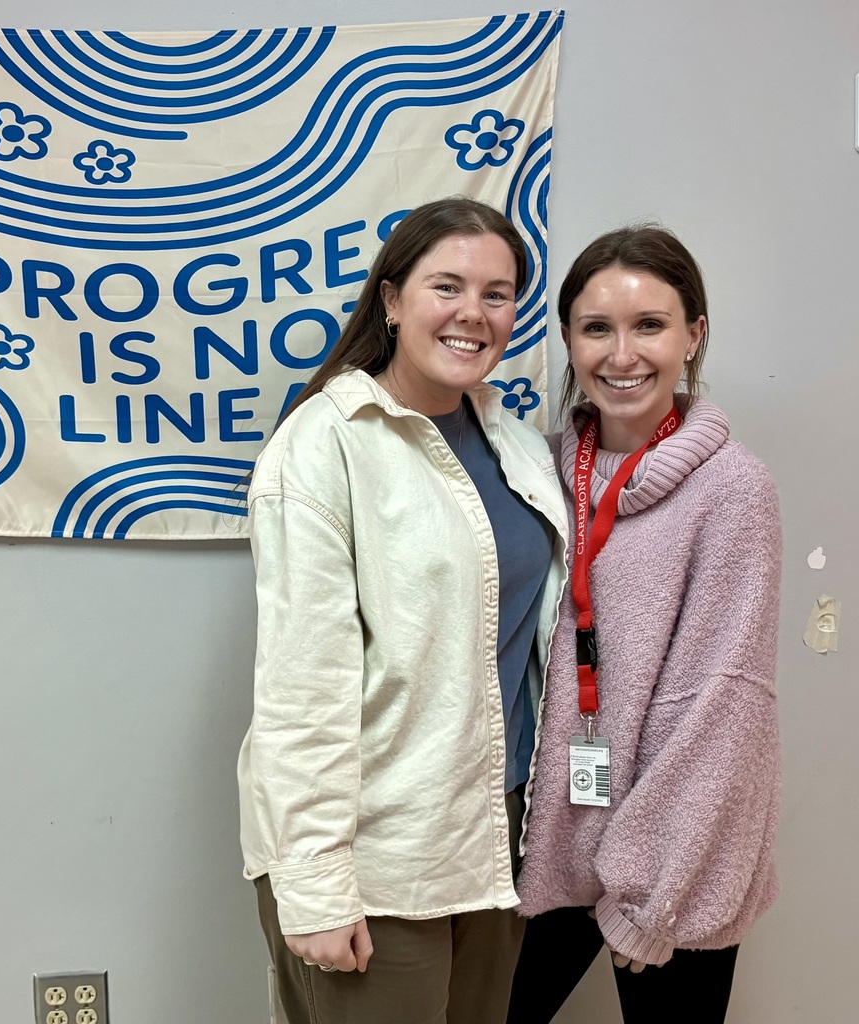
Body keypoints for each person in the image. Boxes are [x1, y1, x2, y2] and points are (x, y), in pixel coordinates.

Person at [237, 197, 569, 1024]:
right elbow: (300, 683)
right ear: (391, 300)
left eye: (497, 294)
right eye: (446, 286)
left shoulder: (515, 443)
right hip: (380, 852)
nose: (473, 313)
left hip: (497, 833)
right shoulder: (325, 445)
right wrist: (313, 881)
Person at [508, 226, 782, 1024]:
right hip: (551, 838)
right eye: (597, 328)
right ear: (567, 337)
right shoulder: (536, 471)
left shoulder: (731, 489)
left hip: (672, 861)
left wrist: (654, 889)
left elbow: (724, 704)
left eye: (650, 325)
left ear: (693, 335)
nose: (621, 354)